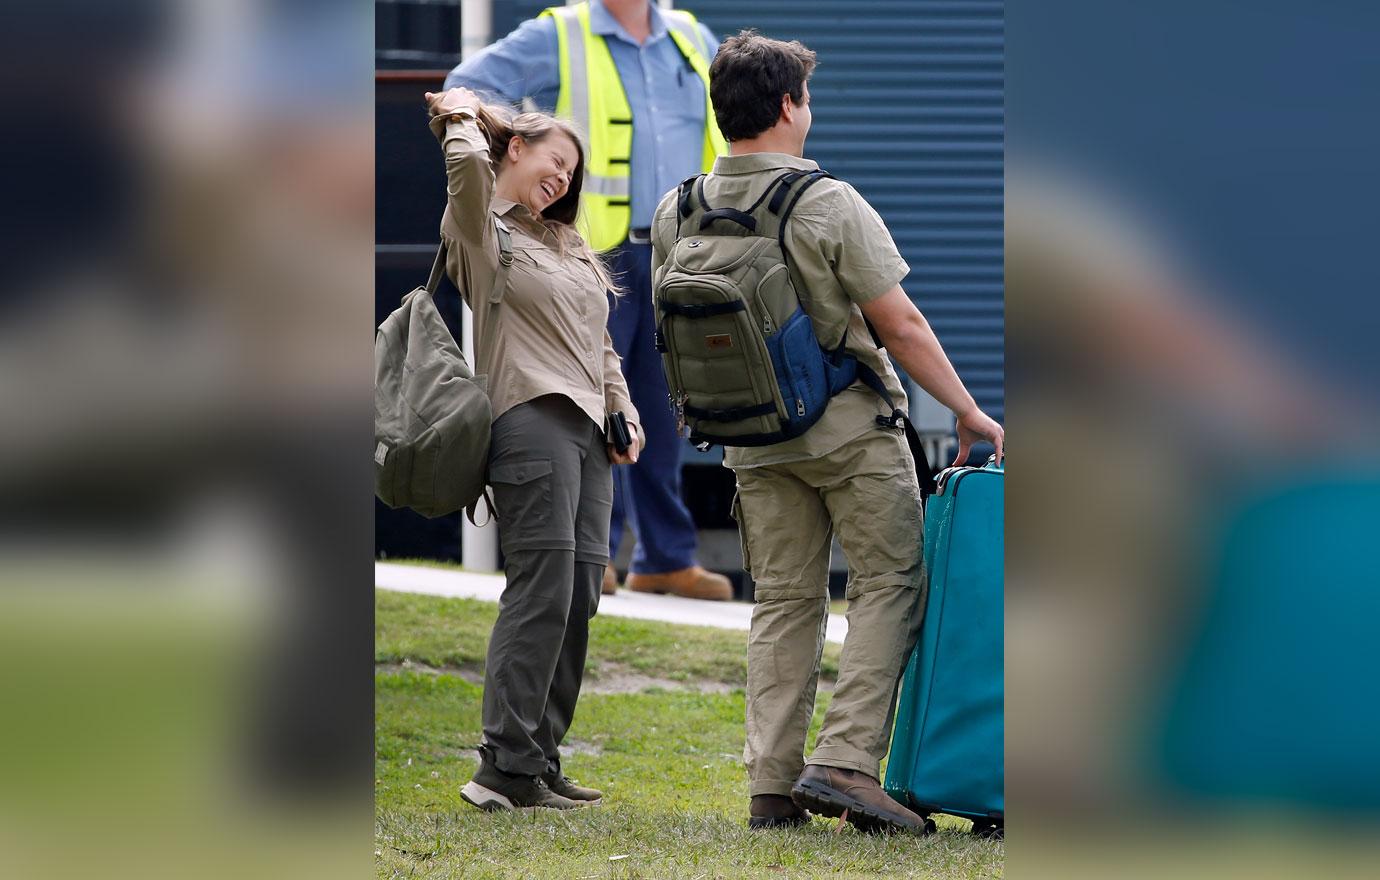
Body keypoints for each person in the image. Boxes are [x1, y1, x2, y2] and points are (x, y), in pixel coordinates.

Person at [650, 32, 1005, 832]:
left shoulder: (679, 207)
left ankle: (772, 786)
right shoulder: (826, 201)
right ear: (787, 106)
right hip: (847, 432)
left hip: (749, 437)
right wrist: (969, 411)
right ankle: (846, 763)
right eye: (806, 98)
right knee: (889, 582)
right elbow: (901, 324)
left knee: (782, 601)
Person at [444, 0, 733, 601]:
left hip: (681, 253)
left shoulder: (689, 38)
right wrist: (512, 155)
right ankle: (593, 550)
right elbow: (465, 85)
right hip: (593, 254)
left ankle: (665, 557)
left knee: (662, 407)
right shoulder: (562, 34)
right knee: (586, 398)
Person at [424, 85, 643, 810]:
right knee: (542, 587)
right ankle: (502, 767)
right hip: (530, 416)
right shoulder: (482, 228)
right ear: (514, 148)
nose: (562, 180)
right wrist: (461, 113)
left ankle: (538, 759)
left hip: (587, 431)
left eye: (572, 175)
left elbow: (599, 341)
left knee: (580, 593)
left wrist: (623, 407)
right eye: (554, 162)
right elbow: (465, 169)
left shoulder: (568, 245)